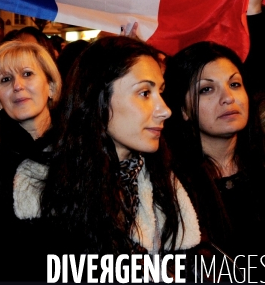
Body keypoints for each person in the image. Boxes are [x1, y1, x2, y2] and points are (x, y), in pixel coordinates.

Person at [12, 37, 201, 279]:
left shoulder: (164, 177)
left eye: (160, 92)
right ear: (98, 99)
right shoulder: (40, 182)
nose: (164, 109)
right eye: (144, 93)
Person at [163, 41, 265, 282]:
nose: (228, 97)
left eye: (235, 84)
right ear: (183, 109)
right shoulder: (168, 183)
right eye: (206, 89)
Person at [0, 41, 61, 201]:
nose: (17, 86)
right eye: (5, 79)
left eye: (27, 74)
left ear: (51, 87)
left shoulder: (81, 147)